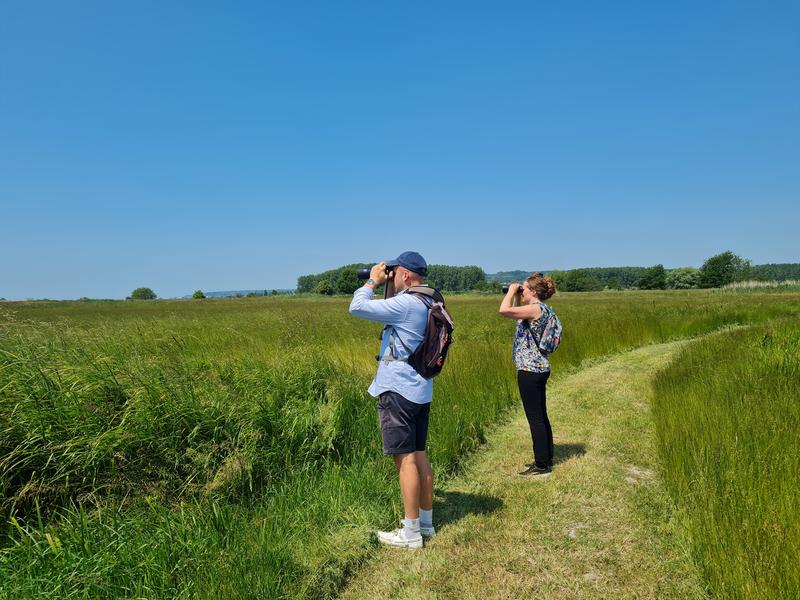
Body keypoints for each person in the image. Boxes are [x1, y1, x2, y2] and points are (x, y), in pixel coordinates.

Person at [349, 251, 435, 548]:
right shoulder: (428, 300)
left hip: (398, 390)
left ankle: (410, 533)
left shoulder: (407, 304)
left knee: (406, 461)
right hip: (421, 389)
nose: (392, 276)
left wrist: (372, 281)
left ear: (407, 275)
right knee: (420, 456)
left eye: (395, 272)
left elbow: (357, 307)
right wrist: (387, 282)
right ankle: (425, 523)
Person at [498, 272, 558, 477]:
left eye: (524, 289)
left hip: (530, 371)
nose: (521, 291)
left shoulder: (534, 308)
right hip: (539, 368)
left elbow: (504, 310)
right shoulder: (542, 309)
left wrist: (512, 290)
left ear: (532, 291)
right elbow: (515, 312)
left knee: (535, 418)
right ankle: (547, 457)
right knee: (541, 415)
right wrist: (516, 294)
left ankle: (541, 465)